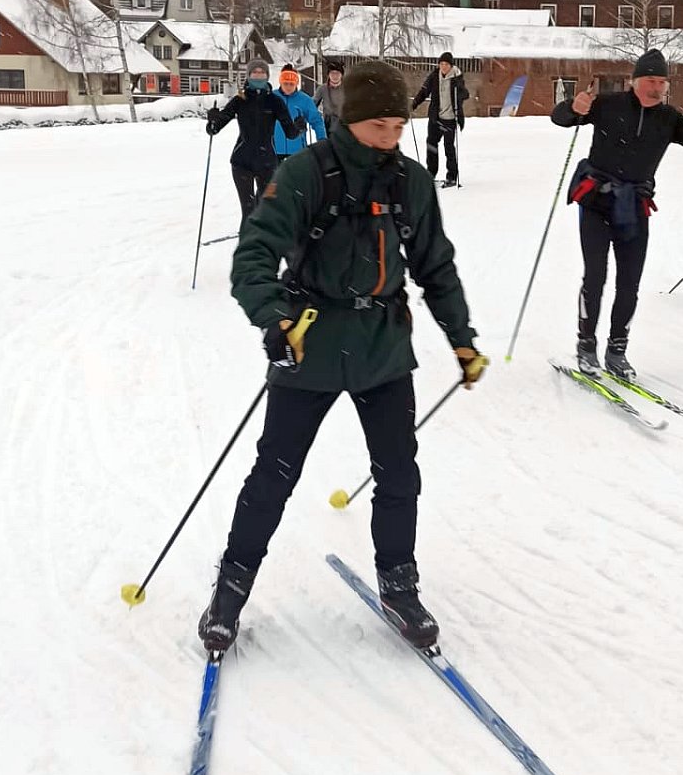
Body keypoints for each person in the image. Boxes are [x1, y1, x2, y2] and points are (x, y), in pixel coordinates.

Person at [198, 60, 487, 657]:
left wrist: (461, 337)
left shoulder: (410, 180)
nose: (391, 137)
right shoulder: (305, 172)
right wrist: (274, 318)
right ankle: (231, 587)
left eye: (398, 127)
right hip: (311, 341)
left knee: (398, 472)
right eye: (380, 126)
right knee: (275, 473)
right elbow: (254, 255)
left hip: (383, 346)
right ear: (351, 121)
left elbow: (434, 264)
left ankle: (399, 584)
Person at [551, 48, 683, 380]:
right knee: (595, 277)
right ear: (635, 81)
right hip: (597, 203)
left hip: (634, 207)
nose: (656, 87)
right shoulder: (607, 104)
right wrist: (573, 107)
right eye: (650, 80)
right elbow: (560, 118)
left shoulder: (669, 118)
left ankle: (617, 351)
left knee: (629, 283)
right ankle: (586, 346)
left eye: (661, 82)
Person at [207, 62, 305, 219]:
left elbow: (290, 133)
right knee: (248, 212)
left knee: (267, 210)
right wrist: (213, 121)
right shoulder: (240, 99)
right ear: (249, 75)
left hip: (268, 164)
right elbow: (215, 128)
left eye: (262, 72)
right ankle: (247, 235)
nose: (258, 76)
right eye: (255, 72)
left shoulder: (275, 101)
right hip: (241, 163)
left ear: (267, 76)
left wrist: (299, 127)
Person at [411, 51, 469, 186]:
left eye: (446, 64)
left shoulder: (457, 77)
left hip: (450, 119)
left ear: (451, 66)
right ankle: (430, 173)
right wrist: (413, 105)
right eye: (441, 64)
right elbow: (424, 92)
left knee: (449, 148)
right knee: (431, 145)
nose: (443, 67)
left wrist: (460, 92)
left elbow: (465, 94)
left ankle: (452, 176)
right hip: (435, 118)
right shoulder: (434, 77)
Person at [274, 65, 326, 161]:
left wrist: (322, 140)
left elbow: (317, 121)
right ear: (280, 82)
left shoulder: (305, 100)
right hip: (274, 151)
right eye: (285, 83)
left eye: (291, 84)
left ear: (296, 83)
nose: (288, 87)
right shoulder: (272, 97)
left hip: (298, 151)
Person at [319, 62, 346, 133]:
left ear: (341, 75)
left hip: (344, 124)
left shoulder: (347, 88)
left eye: (337, 73)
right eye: (332, 73)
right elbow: (312, 105)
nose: (335, 76)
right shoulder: (323, 89)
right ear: (328, 75)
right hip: (328, 124)